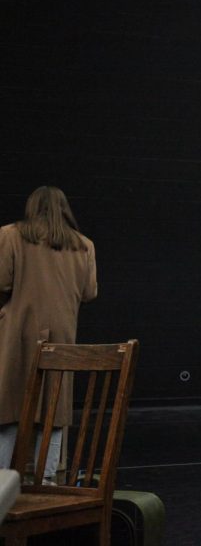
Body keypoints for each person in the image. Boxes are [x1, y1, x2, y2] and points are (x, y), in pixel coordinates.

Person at [0, 186, 98, 484]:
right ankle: (48, 479)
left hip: (17, 333)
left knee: (8, 408)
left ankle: (2, 480)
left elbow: (2, 281)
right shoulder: (83, 245)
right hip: (61, 336)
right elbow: (89, 292)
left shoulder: (10, 235)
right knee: (55, 410)